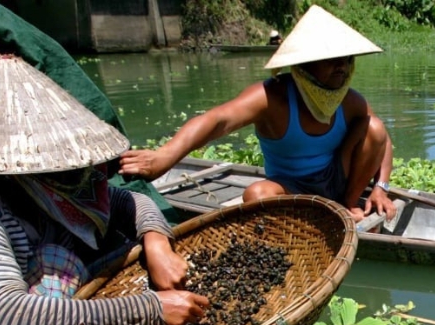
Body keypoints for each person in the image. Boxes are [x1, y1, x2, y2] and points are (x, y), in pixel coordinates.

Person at [0, 53, 210, 325]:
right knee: (58, 264)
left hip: (58, 317)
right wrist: (148, 311)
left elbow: (130, 202)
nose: (83, 174)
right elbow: (9, 314)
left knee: (135, 250)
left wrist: (157, 243)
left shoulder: (53, 183)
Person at [119, 5, 397, 224]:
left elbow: (382, 141)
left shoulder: (349, 101)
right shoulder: (271, 98)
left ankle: (347, 203)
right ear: (305, 63)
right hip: (289, 188)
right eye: (332, 60)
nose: (343, 67)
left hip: (337, 179)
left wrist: (380, 187)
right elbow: (217, 120)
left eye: (348, 60)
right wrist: (163, 157)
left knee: (373, 126)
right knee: (255, 195)